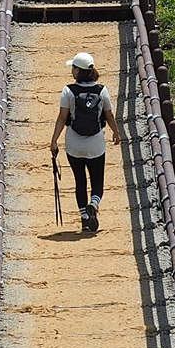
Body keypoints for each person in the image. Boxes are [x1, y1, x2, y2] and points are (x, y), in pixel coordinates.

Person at [50, 50, 120, 233]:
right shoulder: (102, 90)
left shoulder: (68, 91)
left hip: (74, 144)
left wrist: (54, 140)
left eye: (73, 67)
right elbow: (109, 115)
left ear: (77, 71)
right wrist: (116, 132)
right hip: (95, 144)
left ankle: (85, 219)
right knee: (97, 181)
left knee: (80, 181)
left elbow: (62, 117)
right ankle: (94, 203)